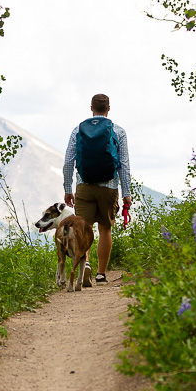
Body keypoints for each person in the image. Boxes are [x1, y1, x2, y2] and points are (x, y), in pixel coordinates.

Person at [62, 93, 132, 285]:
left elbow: (69, 161)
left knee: (84, 229)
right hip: (108, 187)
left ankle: (85, 265)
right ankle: (101, 274)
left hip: (84, 186)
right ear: (108, 109)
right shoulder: (118, 131)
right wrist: (126, 192)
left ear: (90, 108)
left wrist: (68, 188)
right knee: (105, 229)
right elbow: (123, 164)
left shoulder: (79, 130)